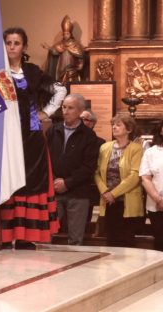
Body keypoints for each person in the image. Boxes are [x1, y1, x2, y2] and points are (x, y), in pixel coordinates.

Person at [0, 27, 66, 249]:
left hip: (31, 138)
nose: (12, 47)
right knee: (7, 182)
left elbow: (60, 90)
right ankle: (5, 234)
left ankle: (25, 235)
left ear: (24, 47)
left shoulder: (33, 72)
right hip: (5, 137)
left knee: (29, 183)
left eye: (16, 43)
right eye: (8, 43)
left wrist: (45, 113)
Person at [46, 94, 99, 245]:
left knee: (75, 239)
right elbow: (46, 159)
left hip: (78, 193)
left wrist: (67, 183)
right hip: (54, 190)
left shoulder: (89, 136)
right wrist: (55, 180)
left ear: (80, 111)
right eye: (64, 107)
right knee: (47, 233)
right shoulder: (52, 130)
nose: (66, 111)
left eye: (70, 108)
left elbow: (89, 167)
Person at [94, 115, 144, 247]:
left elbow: (135, 176)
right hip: (108, 201)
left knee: (126, 241)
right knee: (111, 240)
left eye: (118, 124)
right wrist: (105, 191)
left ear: (128, 129)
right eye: (113, 125)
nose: (114, 127)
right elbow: (97, 172)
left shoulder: (136, 148)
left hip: (127, 201)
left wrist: (113, 193)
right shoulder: (105, 147)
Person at [139, 120, 163, 251]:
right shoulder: (151, 152)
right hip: (156, 205)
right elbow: (146, 178)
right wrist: (159, 199)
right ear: (161, 130)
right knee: (160, 241)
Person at [43, 15, 85, 84]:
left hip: (72, 70)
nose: (66, 36)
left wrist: (80, 64)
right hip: (61, 69)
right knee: (61, 85)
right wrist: (49, 48)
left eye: (67, 34)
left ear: (70, 34)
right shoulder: (60, 44)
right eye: (64, 34)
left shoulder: (75, 44)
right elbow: (55, 52)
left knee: (71, 85)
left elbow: (80, 56)